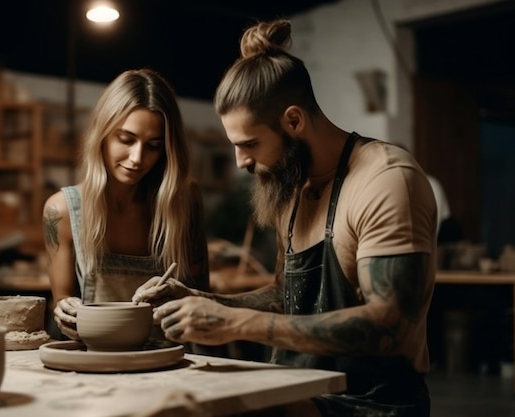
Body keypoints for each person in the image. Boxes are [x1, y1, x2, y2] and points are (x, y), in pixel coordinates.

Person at [133, 20, 436, 416]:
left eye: (250, 144)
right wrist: (202, 301)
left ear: (294, 121)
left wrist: (233, 324)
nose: (242, 161)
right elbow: (285, 297)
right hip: (299, 385)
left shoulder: (385, 179)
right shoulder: (292, 185)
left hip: (370, 402)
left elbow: (389, 328)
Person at [42, 68, 210, 341]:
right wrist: (64, 312)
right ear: (103, 133)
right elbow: (61, 302)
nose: (137, 158)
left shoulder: (184, 200)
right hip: (99, 358)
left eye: (154, 145)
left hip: (170, 361)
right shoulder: (60, 210)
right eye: (126, 139)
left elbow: (202, 299)